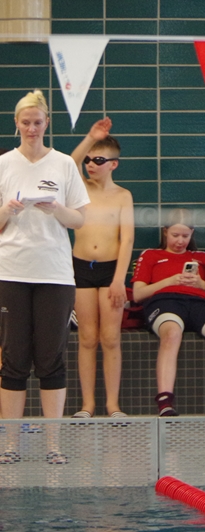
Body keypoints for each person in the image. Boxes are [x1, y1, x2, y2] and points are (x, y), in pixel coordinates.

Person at [0, 90, 89, 465]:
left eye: (38, 122)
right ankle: (11, 444)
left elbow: (79, 219)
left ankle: (53, 444)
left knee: (51, 359)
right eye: (26, 122)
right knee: (14, 360)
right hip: (12, 271)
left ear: (47, 123)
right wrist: (7, 210)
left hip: (54, 273)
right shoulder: (4, 164)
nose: (32, 129)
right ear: (16, 124)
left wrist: (56, 209)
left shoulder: (64, 164)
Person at [132, 209, 205, 416]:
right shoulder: (151, 255)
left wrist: (201, 284)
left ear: (192, 233)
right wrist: (170, 281)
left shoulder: (203, 258)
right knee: (172, 333)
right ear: (165, 232)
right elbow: (138, 294)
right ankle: (165, 401)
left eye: (185, 236)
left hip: (200, 303)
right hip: (165, 301)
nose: (180, 241)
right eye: (175, 235)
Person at [68, 117, 134, 419]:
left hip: (111, 272)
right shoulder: (80, 189)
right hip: (80, 267)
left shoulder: (123, 196)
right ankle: (88, 405)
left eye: (98, 160)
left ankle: (112, 405)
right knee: (87, 339)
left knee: (110, 339)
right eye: (89, 160)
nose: (90, 165)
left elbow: (127, 239)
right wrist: (91, 137)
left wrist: (120, 279)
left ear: (113, 164)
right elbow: (70, 163)